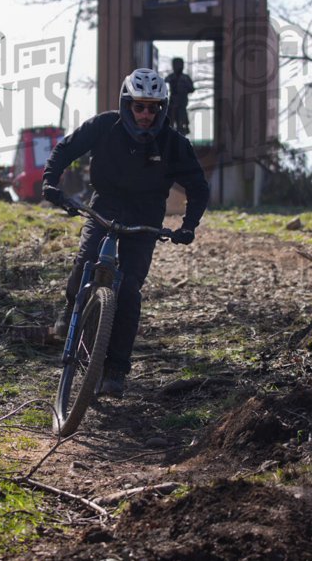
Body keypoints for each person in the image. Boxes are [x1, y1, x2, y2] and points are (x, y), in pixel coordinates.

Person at [42, 68, 210, 400]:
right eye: (139, 106)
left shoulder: (173, 143)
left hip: (146, 215)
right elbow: (65, 149)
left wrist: (189, 225)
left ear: (162, 108)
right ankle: (71, 307)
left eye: (153, 108)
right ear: (127, 104)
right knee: (85, 262)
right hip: (105, 204)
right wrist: (50, 181)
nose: (146, 114)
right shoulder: (104, 126)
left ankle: (115, 370)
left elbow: (198, 187)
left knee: (129, 290)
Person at [166, 57, 195, 135]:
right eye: (175, 65)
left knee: (181, 122)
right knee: (171, 122)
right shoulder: (171, 77)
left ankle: (183, 130)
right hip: (173, 103)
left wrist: (183, 90)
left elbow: (191, 89)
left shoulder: (185, 78)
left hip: (181, 103)